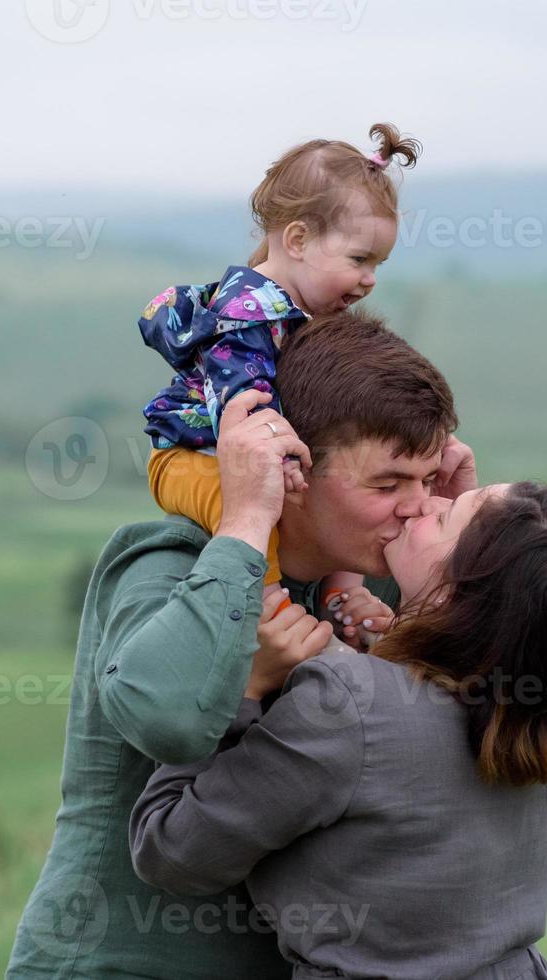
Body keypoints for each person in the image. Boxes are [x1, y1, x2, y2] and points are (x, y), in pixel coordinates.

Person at [6, 310, 474, 979]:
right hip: (118, 958)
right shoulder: (168, 561)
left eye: (427, 482)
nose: (415, 506)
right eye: (388, 483)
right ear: (293, 467)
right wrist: (249, 515)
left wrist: (462, 542)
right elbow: (163, 713)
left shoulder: (345, 586)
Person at [129, 481, 547, 979]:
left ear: (457, 593)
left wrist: (239, 689)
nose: (423, 502)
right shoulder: (530, 708)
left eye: (442, 515)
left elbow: (171, 851)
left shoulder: (348, 700)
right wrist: (409, 623)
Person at [138, 122, 421, 646]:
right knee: (250, 508)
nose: (370, 279)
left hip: (257, 449)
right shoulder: (247, 316)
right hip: (192, 458)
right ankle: (266, 607)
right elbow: (242, 409)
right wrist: (284, 461)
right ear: (297, 239)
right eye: (359, 259)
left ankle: (338, 591)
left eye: (378, 263)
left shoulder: (295, 312)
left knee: (332, 501)